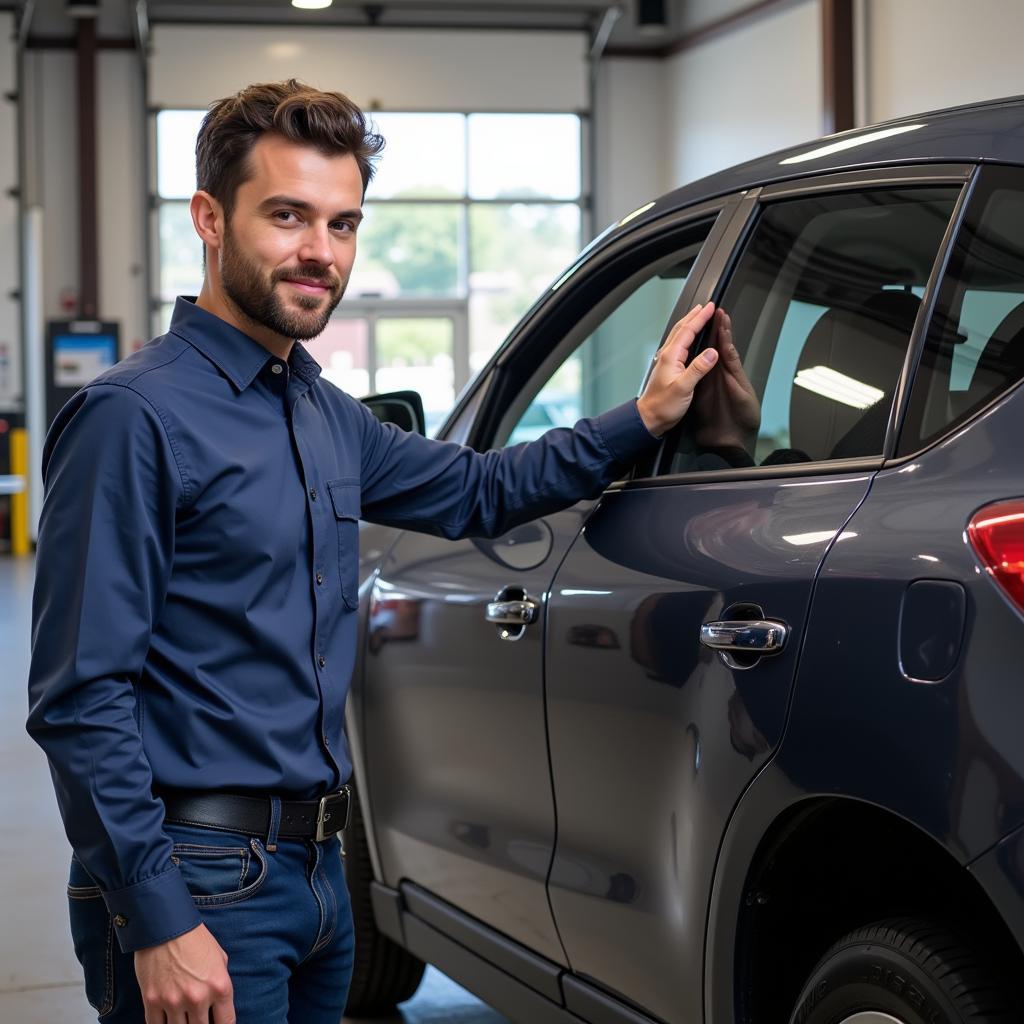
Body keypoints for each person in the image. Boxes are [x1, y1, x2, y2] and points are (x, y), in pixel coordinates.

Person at [26, 79, 724, 1024]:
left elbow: (483, 491)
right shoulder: (132, 417)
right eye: (287, 215)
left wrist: (644, 418)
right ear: (207, 218)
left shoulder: (321, 412)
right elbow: (80, 697)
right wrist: (156, 918)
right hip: (199, 881)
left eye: (343, 224)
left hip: (319, 879)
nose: (321, 253)